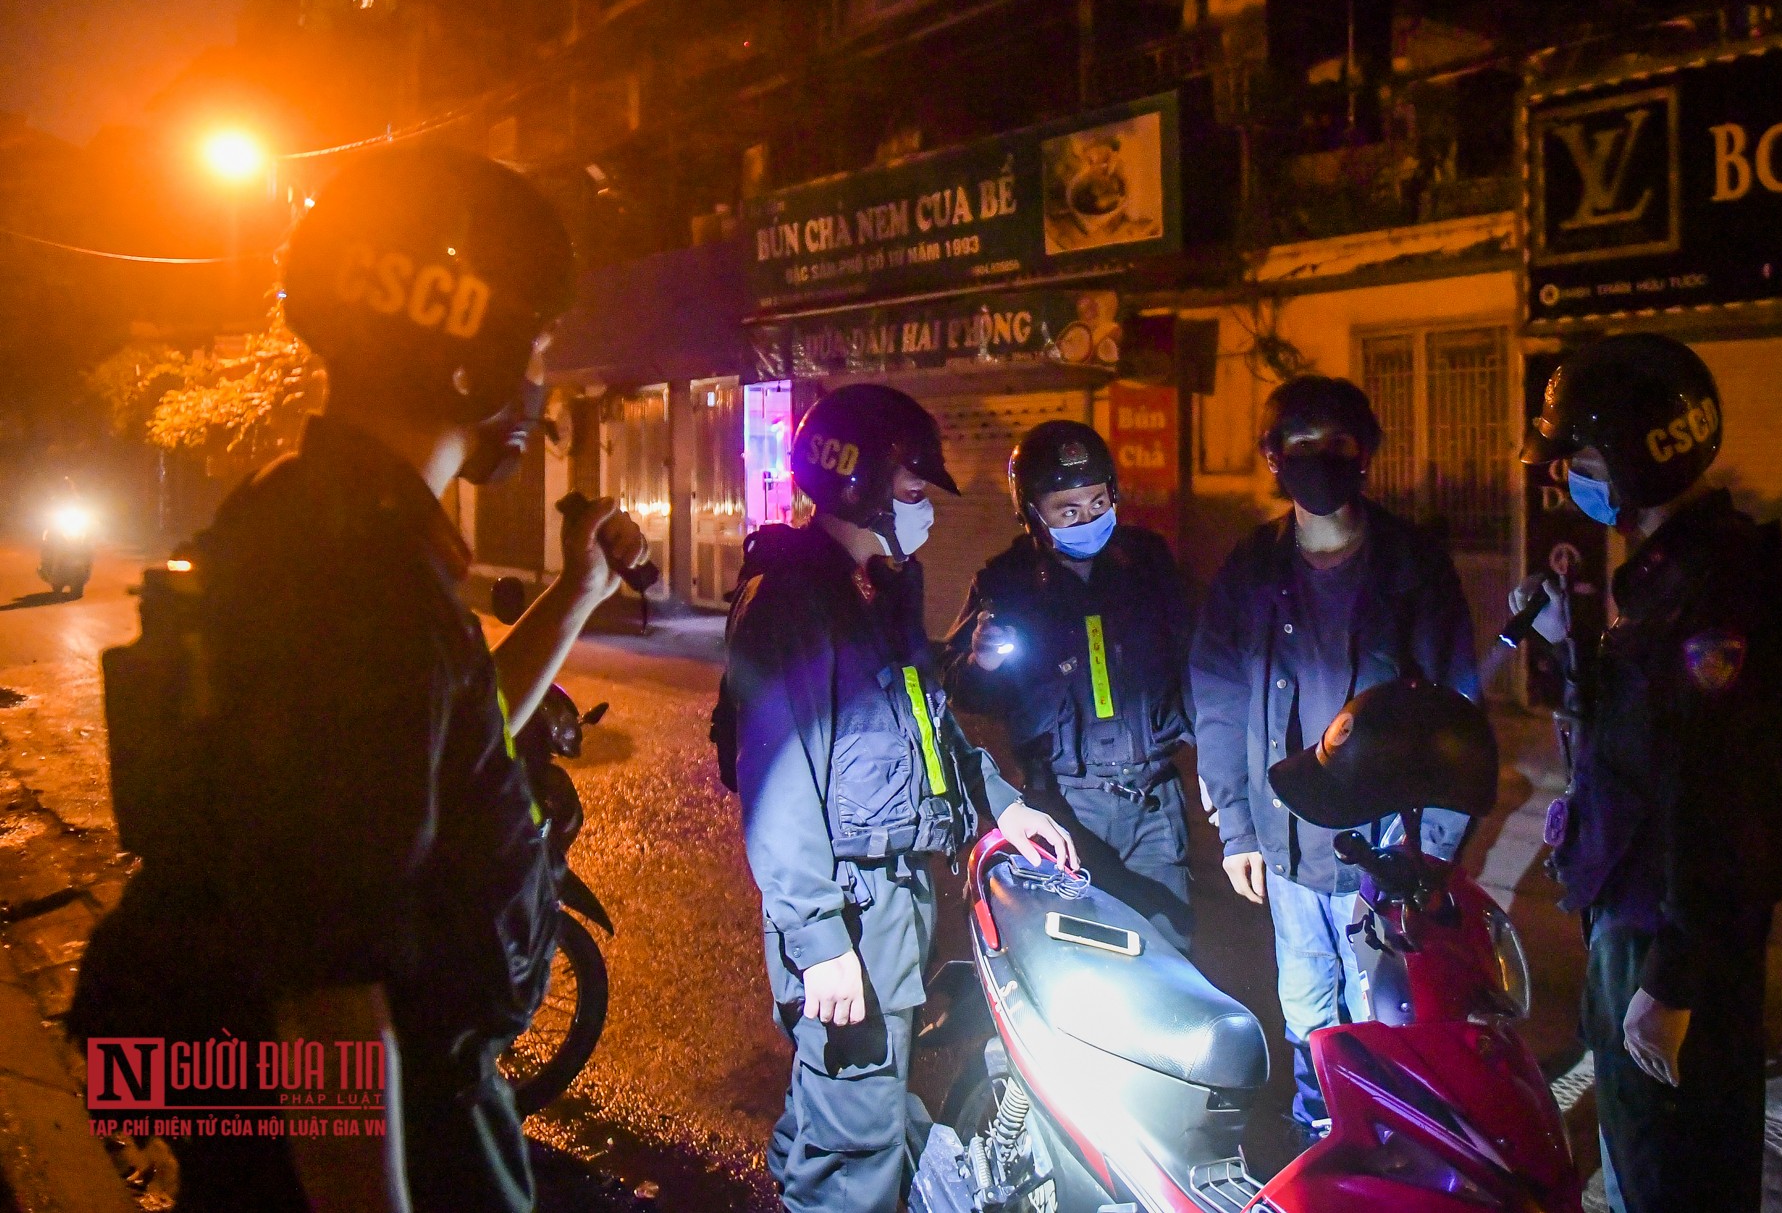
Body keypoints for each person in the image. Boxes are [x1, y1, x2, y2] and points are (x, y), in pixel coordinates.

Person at [71, 146, 648, 1213]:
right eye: (533, 348)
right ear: (471, 357)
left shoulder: (320, 521)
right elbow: (329, 992)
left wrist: (577, 597)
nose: (541, 384)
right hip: (392, 1138)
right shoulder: (361, 582)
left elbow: (440, 741)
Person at [719, 383, 1075, 1213]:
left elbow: (927, 725)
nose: (926, 511)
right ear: (861, 486)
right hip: (847, 911)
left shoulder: (877, 590)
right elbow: (776, 789)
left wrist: (1001, 803)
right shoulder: (791, 602)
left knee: (837, 1114)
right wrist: (820, 941)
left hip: (890, 905)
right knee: (860, 1146)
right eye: (913, 490)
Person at [1514, 332, 1782, 1213]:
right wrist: (1571, 650)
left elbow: (1725, 794)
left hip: (1667, 933)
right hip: (1641, 914)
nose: (1564, 477)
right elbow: (1644, 740)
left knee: (1673, 1174)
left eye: (1579, 459)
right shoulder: (1670, 576)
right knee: (1640, 1156)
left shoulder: (1715, 589)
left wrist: (1672, 978)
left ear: (1636, 459)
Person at [1190, 373, 1480, 1142]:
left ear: (1365, 451)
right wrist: (1236, 826)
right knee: (1307, 1007)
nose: (1318, 458)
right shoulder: (1251, 569)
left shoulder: (1413, 567)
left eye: (1337, 443)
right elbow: (1217, 695)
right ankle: (1322, 1138)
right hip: (1287, 847)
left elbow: (1457, 714)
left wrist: (1429, 850)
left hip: (1383, 852)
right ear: (1273, 457)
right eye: (1301, 443)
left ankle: (1389, 1148)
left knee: (1386, 1012)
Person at [942, 420, 1195, 949]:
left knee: (1167, 954)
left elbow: (1200, 662)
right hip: (1064, 805)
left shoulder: (1147, 563)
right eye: (1069, 511)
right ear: (1032, 512)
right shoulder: (1004, 583)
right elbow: (961, 691)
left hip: (1153, 802)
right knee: (1084, 959)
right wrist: (982, 663)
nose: (1088, 520)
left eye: (1098, 503)